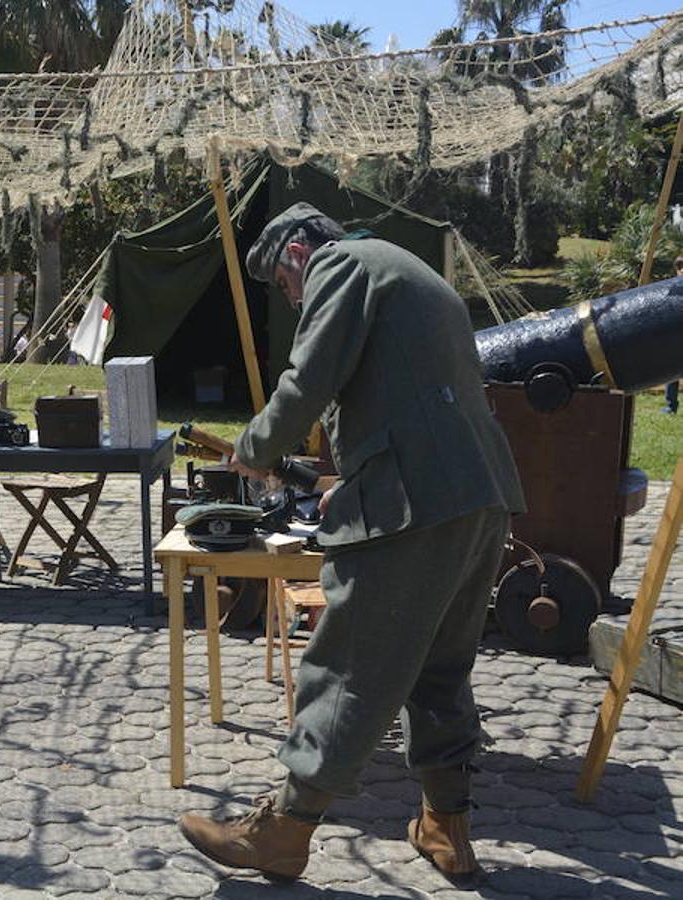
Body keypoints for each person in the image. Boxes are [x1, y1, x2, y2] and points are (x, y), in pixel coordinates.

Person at [177, 203, 524, 884]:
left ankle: (283, 830)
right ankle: (445, 827)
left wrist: (256, 448)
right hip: (481, 495)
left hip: (415, 509)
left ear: (297, 256)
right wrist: (359, 477)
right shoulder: (409, 269)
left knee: (347, 668)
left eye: (283, 285)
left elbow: (310, 377)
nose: (292, 298)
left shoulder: (340, 266)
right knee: (439, 670)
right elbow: (411, 400)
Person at [663, 255, 682, 414]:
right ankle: (670, 406)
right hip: (676, 337)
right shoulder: (672, 288)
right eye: (679, 268)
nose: (681, 271)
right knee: (672, 372)